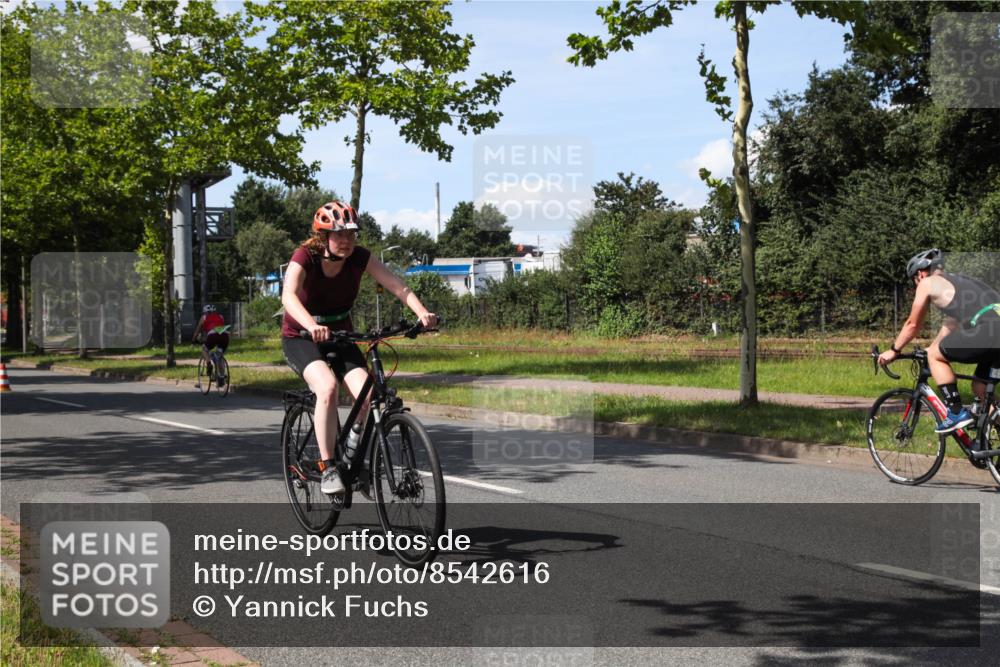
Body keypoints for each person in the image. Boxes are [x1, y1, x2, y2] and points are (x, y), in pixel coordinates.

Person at [280, 200, 438, 496]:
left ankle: (352, 455)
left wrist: (422, 313)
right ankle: (328, 467)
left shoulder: (359, 258)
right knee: (327, 387)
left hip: (341, 335)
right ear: (323, 237)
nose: (347, 241)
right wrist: (311, 325)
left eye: (351, 234)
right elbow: (288, 296)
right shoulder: (305, 256)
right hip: (300, 336)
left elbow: (397, 286)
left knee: (368, 396)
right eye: (339, 234)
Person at [878, 249, 1000, 433]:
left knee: (936, 356)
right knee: (980, 387)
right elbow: (951, 324)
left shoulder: (927, 282)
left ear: (920, 274)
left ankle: (956, 412)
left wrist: (894, 350)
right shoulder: (960, 282)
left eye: (914, 281)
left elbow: (912, 324)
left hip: (989, 331)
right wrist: (933, 347)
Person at [192, 304, 229, 378]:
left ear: (205, 312)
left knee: (204, 349)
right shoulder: (221, 316)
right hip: (224, 335)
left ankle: (209, 364)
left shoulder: (204, 317)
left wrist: (193, 340)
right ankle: (221, 377)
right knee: (219, 355)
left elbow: (197, 331)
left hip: (213, 335)